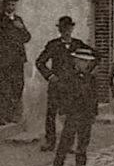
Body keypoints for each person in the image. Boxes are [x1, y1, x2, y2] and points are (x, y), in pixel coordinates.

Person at [35, 16, 90, 152]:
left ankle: (69, 143)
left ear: (72, 29)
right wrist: (50, 75)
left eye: (69, 28)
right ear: (60, 30)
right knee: (51, 113)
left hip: (73, 85)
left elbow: (92, 56)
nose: (66, 31)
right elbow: (40, 62)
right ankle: (50, 142)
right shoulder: (53, 45)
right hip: (57, 84)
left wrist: (84, 72)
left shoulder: (78, 44)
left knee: (71, 114)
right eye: (63, 29)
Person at [49, 47, 97, 166]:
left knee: (84, 138)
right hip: (73, 112)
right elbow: (61, 95)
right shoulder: (67, 76)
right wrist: (62, 111)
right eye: (82, 61)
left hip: (86, 111)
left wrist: (94, 113)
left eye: (87, 62)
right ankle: (58, 164)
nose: (85, 64)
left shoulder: (90, 78)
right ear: (76, 61)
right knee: (66, 138)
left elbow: (94, 96)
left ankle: (80, 163)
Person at [0, 0, 31, 125]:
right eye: (9, 4)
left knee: (17, 87)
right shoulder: (0, 20)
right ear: (4, 5)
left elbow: (27, 37)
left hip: (18, 61)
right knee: (4, 88)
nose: (11, 7)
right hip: (5, 61)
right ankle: (2, 117)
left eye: (13, 5)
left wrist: (21, 28)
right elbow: (1, 38)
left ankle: (12, 115)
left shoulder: (18, 20)